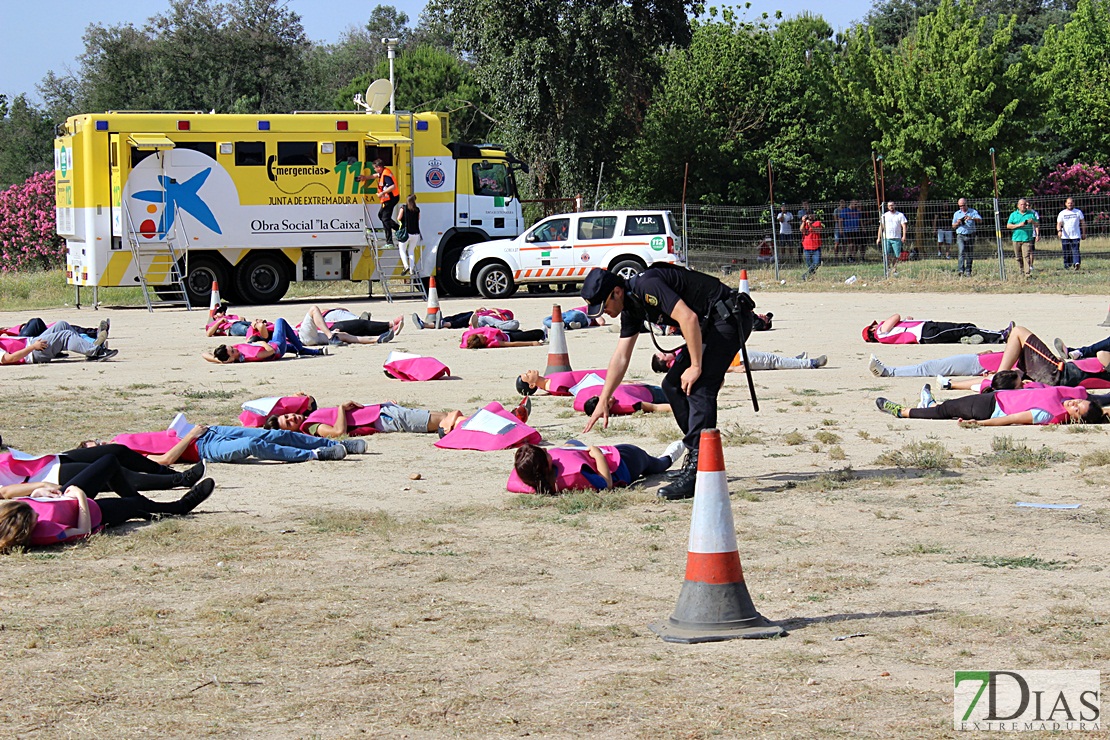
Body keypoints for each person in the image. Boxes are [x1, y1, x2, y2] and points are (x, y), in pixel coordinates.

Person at [579, 263, 754, 500]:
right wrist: (603, 398)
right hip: (710, 324)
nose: (604, 313)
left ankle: (698, 467)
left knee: (699, 385)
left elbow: (688, 318)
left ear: (617, 292)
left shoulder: (646, 285)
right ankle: (700, 455)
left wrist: (695, 366)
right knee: (671, 386)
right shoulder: (631, 307)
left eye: (605, 306)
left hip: (728, 318)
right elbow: (621, 356)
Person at [0, 455, 215, 552]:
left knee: (109, 462)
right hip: (93, 512)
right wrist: (82, 498)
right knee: (133, 505)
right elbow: (83, 531)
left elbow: (12, 496)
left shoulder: (16, 511)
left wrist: (39, 492)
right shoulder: (46, 532)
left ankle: (150, 500)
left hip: (65, 495)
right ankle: (178, 507)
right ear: (28, 525)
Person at [1, 443, 206, 500]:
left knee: (116, 451)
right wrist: (41, 485)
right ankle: (179, 480)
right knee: (115, 471)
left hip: (44, 461)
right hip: (45, 477)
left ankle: (161, 471)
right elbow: (5, 493)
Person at [111, 423, 358, 464]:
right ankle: (314, 454)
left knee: (269, 434)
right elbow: (165, 460)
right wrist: (190, 436)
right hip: (201, 448)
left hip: (206, 432)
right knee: (251, 445)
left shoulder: (119, 440)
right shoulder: (126, 458)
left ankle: (332, 442)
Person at [509, 440, 685, 495]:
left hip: (597, 457)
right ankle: (674, 452)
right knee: (658, 465)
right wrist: (598, 455)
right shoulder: (575, 473)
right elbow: (606, 484)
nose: (548, 450)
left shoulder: (532, 479)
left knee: (572, 443)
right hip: (624, 462)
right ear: (546, 466)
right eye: (545, 453)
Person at [875, 386, 1106, 426]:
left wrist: (982, 423)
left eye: (1077, 409)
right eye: (1079, 402)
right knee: (944, 408)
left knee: (943, 411)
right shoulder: (1059, 401)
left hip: (987, 408)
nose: (1074, 402)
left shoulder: (1048, 415)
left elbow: (1012, 419)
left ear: (1076, 418)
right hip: (993, 400)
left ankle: (902, 412)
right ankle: (928, 403)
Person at [265, 400, 453, 437]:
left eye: (288, 416)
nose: (293, 418)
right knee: (444, 419)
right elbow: (338, 432)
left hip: (382, 412)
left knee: (443, 417)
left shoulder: (309, 418)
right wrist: (340, 408)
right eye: (289, 422)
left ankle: (470, 423)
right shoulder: (311, 427)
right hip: (383, 419)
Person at [203, 317, 325, 363]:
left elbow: (204, 354)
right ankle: (302, 350)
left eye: (232, 347)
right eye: (233, 351)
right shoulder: (253, 355)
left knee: (291, 347)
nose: (235, 349)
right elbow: (271, 351)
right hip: (276, 348)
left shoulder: (229, 357)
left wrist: (218, 360)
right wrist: (261, 343)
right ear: (230, 358)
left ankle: (312, 351)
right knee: (280, 321)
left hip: (270, 344)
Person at [1, 320, 114, 364]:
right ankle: (97, 352)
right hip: (34, 353)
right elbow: (9, 359)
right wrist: (33, 347)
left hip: (32, 342)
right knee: (65, 336)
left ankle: (90, 348)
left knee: (62, 325)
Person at [862, 314, 1011, 345]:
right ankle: (999, 336)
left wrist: (906, 322)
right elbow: (895, 316)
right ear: (872, 330)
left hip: (925, 331)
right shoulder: (880, 331)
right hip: (926, 332)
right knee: (965, 327)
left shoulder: (884, 335)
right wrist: (883, 322)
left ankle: (972, 340)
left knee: (959, 331)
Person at [653, 348, 826, 373]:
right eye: (662, 355)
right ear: (667, 363)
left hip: (734, 355)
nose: (664, 351)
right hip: (737, 360)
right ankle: (809, 363)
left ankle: (794, 361)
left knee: (772, 359)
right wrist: (733, 369)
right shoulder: (683, 362)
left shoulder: (679, 356)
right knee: (772, 361)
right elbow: (709, 366)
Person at [296, 306, 399, 346]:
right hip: (304, 336)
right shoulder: (294, 327)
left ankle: (378, 339)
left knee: (344, 336)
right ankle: (390, 324)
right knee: (314, 309)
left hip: (317, 335)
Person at [357, 159, 400, 245]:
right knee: (381, 215)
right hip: (387, 199)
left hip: (391, 199)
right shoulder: (382, 172)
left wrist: (382, 193)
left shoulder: (386, 174)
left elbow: (393, 186)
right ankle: (398, 228)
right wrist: (365, 178)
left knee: (385, 218)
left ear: (379, 167)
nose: (374, 169)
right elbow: (375, 175)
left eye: (375, 168)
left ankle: (389, 242)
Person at [1007, 198, 1038, 278]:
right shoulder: (1013, 215)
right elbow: (1008, 226)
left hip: (1027, 239)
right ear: (1018, 206)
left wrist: (1033, 222)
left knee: (1026, 256)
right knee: (1018, 257)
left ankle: (1027, 273)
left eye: (1024, 204)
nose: (1023, 206)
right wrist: (1018, 225)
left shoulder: (1031, 214)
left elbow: (1037, 224)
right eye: (1021, 204)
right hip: (1016, 238)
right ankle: (1021, 270)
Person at [951, 198, 982, 276]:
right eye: (960, 206)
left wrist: (971, 218)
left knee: (969, 253)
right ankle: (960, 270)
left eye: (963, 205)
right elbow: (953, 226)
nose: (961, 207)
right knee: (961, 251)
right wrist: (958, 222)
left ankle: (968, 270)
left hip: (970, 235)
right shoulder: (957, 214)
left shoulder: (973, 212)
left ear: (966, 204)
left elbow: (980, 220)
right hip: (960, 235)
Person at [395, 194, 422, 276]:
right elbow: (418, 219)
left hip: (406, 233)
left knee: (402, 250)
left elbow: (399, 218)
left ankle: (406, 266)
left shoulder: (404, 208)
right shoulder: (417, 210)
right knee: (411, 251)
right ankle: (411, 269)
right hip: (416, 233)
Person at [1056, 197, 1085, 271]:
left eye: (1071, 203)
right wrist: (1059, 231)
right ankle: (1067, 265)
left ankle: (1076, 263)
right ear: (1066, 204)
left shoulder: (1078, 212)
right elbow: (1059, 223)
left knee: (1076, 250)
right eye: (1068, 203)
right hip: (1065, 236)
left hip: (1076, 235)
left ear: (1073, 203)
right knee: (1066, 251)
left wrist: (1083, 233)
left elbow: (1083, 223)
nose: (1070, 204)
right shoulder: (1062, 213)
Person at [461, 326, 545, 348]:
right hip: (511, 337)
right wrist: (532, 343)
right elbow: (512, 344)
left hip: (504, 333)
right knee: (538, 333)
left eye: (482, 335)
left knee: (520, 331)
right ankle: (544, 334)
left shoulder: (473, 337)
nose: (484, 335)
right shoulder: (492, 343)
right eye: (484, 338)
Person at [800, 214, 822, 278]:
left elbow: (818, 230)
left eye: (811, 215)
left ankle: (806, 275)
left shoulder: (817, 222)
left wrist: (810, 225)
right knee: (809, 265)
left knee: (817, 263)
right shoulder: (805, 224)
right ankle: (810, 277)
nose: (810, 217)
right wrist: (804, 222)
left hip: (816, 247)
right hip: (807, 247)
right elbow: (801, 230)